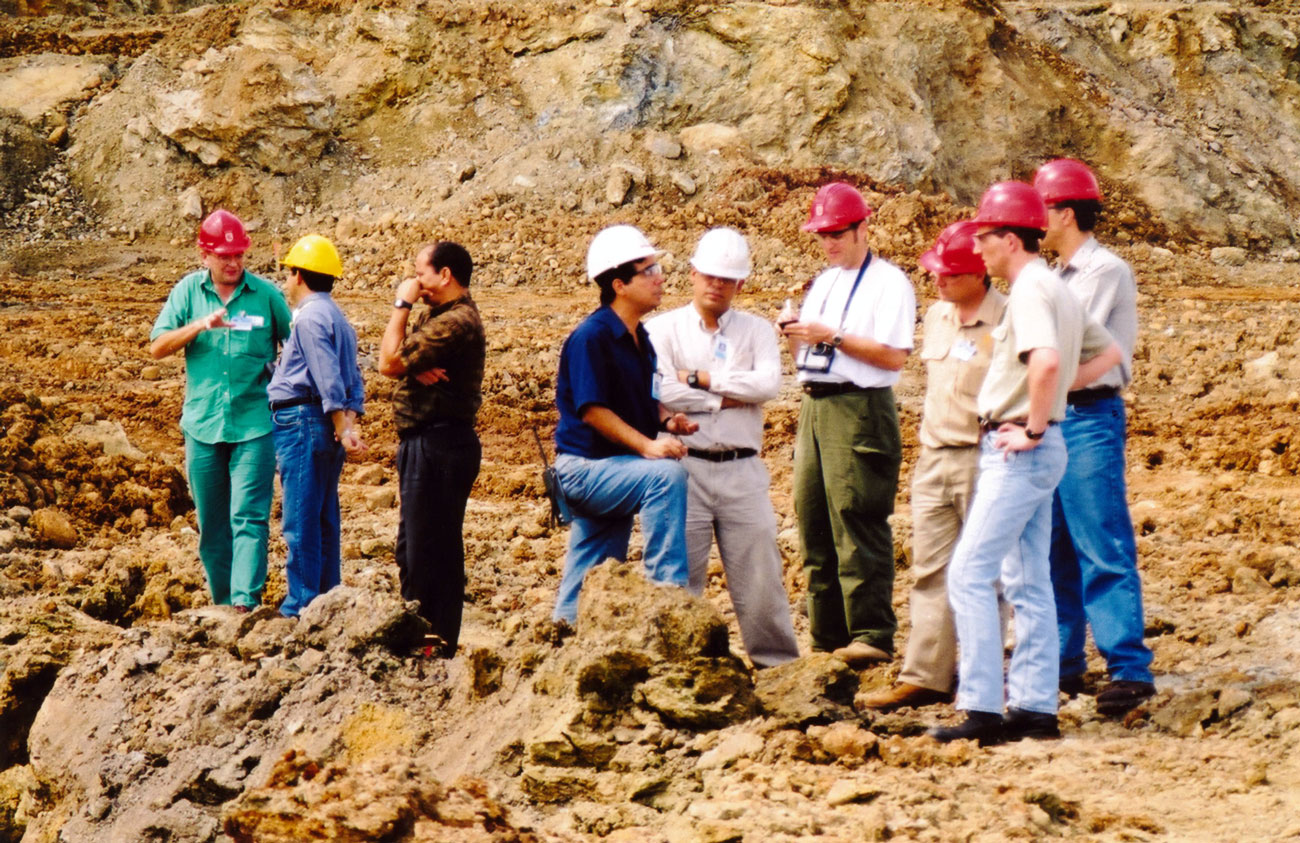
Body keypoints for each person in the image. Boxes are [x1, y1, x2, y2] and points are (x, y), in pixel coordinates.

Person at [928, 182, 1122, 746]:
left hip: (1019, 448)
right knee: (1028, 578)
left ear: (1010, 239)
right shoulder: (1054, 288)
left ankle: (983, 707)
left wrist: (1035, 424)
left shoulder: (1033, 291)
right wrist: (1055, 406)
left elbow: (1046, 362)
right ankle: (1035, 708)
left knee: (969, 572)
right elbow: (1108, 352)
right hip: (1041, 446)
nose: (979, 249)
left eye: (985, 237)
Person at [861, 221, 1006, 711]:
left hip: (983, 458)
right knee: (930, 571)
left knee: (992, 573)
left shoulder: (1006, 320)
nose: (937, 281)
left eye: (949, 273)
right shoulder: (938, 317)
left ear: (979, 273)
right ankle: (926, 675)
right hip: (934, 457)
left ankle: (989, 678)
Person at [646, 228, 800, 668]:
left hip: (742, 469)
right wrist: (726, 396)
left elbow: (768, 384)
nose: (715, 284)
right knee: (681, 575)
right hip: (683, 465)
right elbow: (662, 390)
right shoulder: (662, 329)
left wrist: (699, 378)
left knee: (760, 578)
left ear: (741, 284)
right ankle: (678, 668)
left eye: (726, 278)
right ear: (692, 274)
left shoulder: (756, 332)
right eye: (709, 275)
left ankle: (777, 667)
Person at [1035, 158, 1155, 715]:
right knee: (1056, 544)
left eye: (1043, 207)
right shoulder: (1057, 275)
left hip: (1087, 414)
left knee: (1100, 543)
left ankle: (1128, 667)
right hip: (1062, 416)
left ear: (1064, 211)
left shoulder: (1104, 271)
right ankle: (1062, 661)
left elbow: (1067, 342)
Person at [781, 182, 916, 668]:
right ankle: (827, 637)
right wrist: (799, 336)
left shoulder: (890, 283)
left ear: (863, 228)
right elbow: (809, 354)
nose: (829, 243)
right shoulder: (825, 281)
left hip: (860, 406)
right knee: (813, 519)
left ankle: (871, 633)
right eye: (823, 235)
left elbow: (894, 356)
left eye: (837, 233)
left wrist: (832, 336)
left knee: (856, 517)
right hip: (817, 404)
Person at [551, 225, 697, 624]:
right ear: (619, 284)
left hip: (612, 467)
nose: (660, 277)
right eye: (648, 270)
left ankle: (564, 631)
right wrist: (648, 447)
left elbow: (643, 397)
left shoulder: (640, 337)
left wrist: (667, 419)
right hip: (584, 469)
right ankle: (669, 602)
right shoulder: (591, 338)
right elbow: (592, 410)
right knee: (665, 478)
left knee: (595, 563)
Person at [149, 209, 291, 612]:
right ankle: (223, 603)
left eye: (239, 256)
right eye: (224, 256)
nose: (233, 264)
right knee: (212, 525)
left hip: (255, 426)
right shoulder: (186, 292)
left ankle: (245, 604)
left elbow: (299, 342)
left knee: (249, 517)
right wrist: (200, 325)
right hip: (203, 426)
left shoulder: (265, 295)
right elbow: (157, 347)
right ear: (204, 255)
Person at [378, 241, 485, 657]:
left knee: (428, 549)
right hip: (428, 442)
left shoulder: (454, 322)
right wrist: (413, 368)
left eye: (421, 272)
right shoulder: (439, 318)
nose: (415, 280)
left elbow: (389, 362)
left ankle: (429, 641)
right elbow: (398, 361)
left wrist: (400, 304)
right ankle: (428, 636)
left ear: (445, 275)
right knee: (417, 545)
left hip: (440, 443)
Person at [266, 234, 366, 618]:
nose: (286, 284)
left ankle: (302, 605)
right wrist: (348, 423)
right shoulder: (338, 317)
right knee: (324, 515)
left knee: (301, 517)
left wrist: (342, 425)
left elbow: (327, 378)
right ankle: (328, 600)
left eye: (288, 275)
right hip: (321, 423)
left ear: (299, 275)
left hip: (303, 422)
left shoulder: (308, 317)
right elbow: (352, 379)